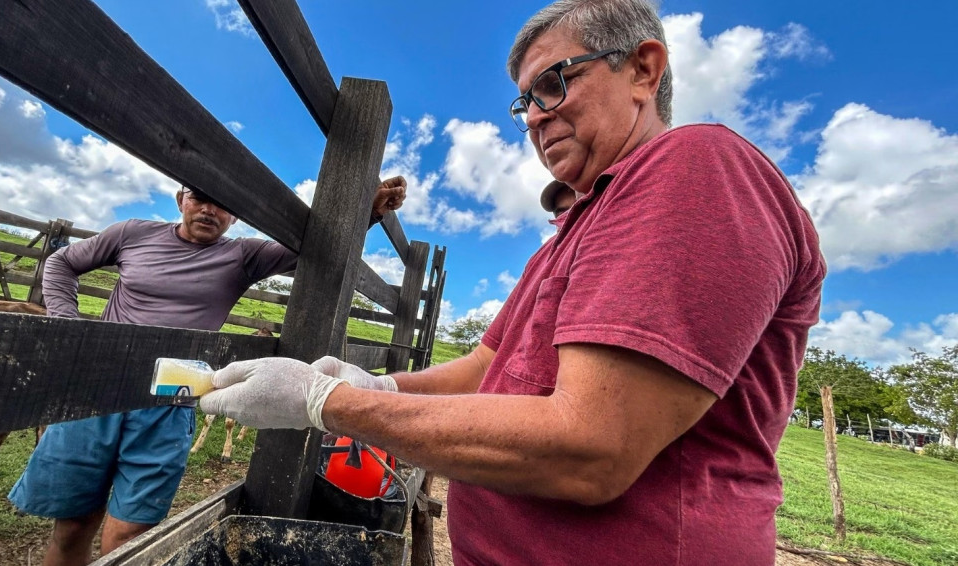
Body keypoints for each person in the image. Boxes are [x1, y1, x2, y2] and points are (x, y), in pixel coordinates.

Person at [199, 0, 826, 564]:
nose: (533, 117)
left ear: (643, 69)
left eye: (552, 84)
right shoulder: (572, 233)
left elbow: (594, 448)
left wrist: (328, 403)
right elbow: (486, 369)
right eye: (523, 102)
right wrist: (382, 383)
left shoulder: (694, 168)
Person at [8, 176, 406, 566]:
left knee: (132, 536)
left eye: (223, 205)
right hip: (95, 392)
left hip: (169, 400)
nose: (209, 210)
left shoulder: (242, 255)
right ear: (180, 198)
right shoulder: (131, 233)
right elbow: (62, 262)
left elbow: (313, 250)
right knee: (74, 525)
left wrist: (365, 212)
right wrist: (69, 325)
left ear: (235, 217)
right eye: (200, 197)